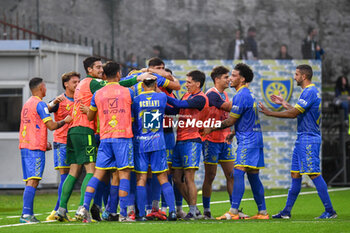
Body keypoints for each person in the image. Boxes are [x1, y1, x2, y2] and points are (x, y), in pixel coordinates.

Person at [56, 56, 148, 221]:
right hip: (90, 131)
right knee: (102, 172)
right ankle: (85, 209)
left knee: (75, 171)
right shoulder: (95, 84)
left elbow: (92, 109)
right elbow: (116, 85)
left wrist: (90, 110)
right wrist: (138, 78)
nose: (100, 70)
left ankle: (61, 209)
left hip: (76, 131)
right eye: (97, 67)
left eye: (102, 67)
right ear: (89, 70)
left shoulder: (85, 85)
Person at [259, 64, 337, 219]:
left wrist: (270, 113)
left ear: (304, 76)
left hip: (309, 139)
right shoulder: (307, 92)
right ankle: (286, 211)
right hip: (302, 138)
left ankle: (330, 211)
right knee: (295, 174)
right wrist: (284, 104)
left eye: (296, 74)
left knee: (314, 174)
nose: (294, 77)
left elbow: (294, 114)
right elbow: (299, 112)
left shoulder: (309, 91)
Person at [203, 63, 268, 220]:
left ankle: (233, 211)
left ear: (242, 78)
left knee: (237, 173)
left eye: (233, 76)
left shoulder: (240, 95)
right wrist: (233, 133)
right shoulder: (248, 94)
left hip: (248, 140)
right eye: (228, 76)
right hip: (255, 138)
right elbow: (245, 119)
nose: (230, 79)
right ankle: (262, 212)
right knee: (253, 175)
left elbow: (231, 120)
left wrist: (211, 128)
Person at [77, 61, 135, 222]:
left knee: (98, 173)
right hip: (123, 137)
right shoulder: (127, 92)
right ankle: (123, 214)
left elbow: (90, 116)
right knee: (124, 174)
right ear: (118, 74)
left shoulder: (98, 94)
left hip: (105, 138)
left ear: (104, 75)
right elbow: (134, 115)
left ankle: (84, 208)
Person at [19, 77, 72, 223]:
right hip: (34, 147)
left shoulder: (28, 103)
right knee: (33, 181)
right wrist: (65, 121)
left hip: (25, 145)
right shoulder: (40, 104)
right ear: (41, 88)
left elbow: (32, 125)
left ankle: (26, 213)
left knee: (30, 180)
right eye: (45, 87)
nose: (46, 89)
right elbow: (52, 126)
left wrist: (44, 144)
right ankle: (26, 215)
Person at [132, 77, 177, 221]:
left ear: (142, 84)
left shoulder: (137, 99)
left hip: (141, 142)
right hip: (158, 142)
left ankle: (141, 214)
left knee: (141, 178)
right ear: (155, 84)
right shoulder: (162, 97)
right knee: (163, 177)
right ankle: (173, 212)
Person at [166, 70, 209, 220]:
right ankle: (195, 209)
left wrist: (161, 93)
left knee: (189, 177)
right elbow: (174, 109)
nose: (186, 85)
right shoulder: (186, 95)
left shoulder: (201, 98)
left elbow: (178, 103)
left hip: (192, 141)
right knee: (177, 178)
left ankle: (192, 211)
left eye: (189, 82)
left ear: (198, 84)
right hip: (180, 140)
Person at [201, 66, 238, 219]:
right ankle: (207, 210)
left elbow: (230, 116)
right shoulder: (211, 94)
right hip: (211, 141)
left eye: (229, 76)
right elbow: (228, 108)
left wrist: (233, 131)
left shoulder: (226, 94)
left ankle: (234, 209)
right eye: (225, 77)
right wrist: (244, 100)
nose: (229, 79)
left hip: (225, 140)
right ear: (217, 79)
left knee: (231, 175)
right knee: (210, 176)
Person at [46, 72, 80, 221]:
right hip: (62, 141)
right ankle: (58, 210)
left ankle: (59, 209)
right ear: (66, 84)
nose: (77, 84)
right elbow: (45, 110)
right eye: (74, 82)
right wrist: (53, 103)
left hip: (76, 141)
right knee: (65, 176)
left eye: (79, 81)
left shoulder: (80, 99)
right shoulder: (60, 99)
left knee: (71, 177)